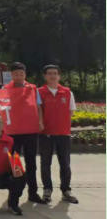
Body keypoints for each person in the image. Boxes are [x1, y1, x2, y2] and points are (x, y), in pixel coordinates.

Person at [3, 62, 46, 204]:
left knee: (31, 162)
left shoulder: (32, 88)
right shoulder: (5, 89)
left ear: (25, 74)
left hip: (30, 130)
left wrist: (40, 121)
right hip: (13, 131)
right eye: (16, 74)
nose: (19, 76)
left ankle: (33, 192)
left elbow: (38, 107)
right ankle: (13, 193)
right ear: (11, 75)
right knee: (14, 162)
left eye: (21, 74)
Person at [37, 64, 78, 204]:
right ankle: (47, 190)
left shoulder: (67, 92)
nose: (52, 76)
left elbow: (71, 111)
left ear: (59, 76)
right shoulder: (39, 92)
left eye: (55, 73)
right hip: (45, 134)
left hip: (63, 134)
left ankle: (66, 191)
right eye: (49, 73)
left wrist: (62, 126)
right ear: (45, 76)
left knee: (65, 164)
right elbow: (36, 111)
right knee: (45, 164)